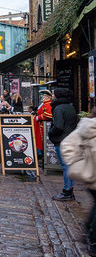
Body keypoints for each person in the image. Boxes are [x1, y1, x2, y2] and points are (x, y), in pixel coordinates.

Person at [61, 108, 96, 255]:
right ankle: (92, 239)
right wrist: (79, 164)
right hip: (92, 176)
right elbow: (67, 145)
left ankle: (88, 232)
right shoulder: (89, 126)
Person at [48, 88, 79, 201]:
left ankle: (67, 192)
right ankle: (69, 189)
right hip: (71, 140)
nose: (52, 96)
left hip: (62, 141)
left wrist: (50, 133)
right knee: (69, 166)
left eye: (53, 94)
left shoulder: (58, 108)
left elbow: (58, 126)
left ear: (57, 96)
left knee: (66, 167)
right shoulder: (70, 107)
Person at [34, 90, 53, 160]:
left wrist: (38, 117)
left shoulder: (48, 104)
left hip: (42, 126)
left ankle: (41, 154)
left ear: (48, 97)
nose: (43, 97)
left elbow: (48, 115)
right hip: (39, 126)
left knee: (41, 141)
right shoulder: (44, 103)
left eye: (44, 96)